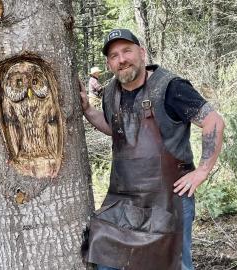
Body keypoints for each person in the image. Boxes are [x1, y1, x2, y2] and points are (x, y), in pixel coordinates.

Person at [80, 29, 225, 270]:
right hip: (122, 202)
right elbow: (116, 129)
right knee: (105, 257)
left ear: (142, 52)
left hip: (168, 201)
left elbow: (214, 121)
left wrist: (202, 171)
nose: (122, 59)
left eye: (127, 51)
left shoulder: (170, 87)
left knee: (171, 265)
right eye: (114, 55)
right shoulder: (110, 93)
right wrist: (88, 111)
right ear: (109, 63)